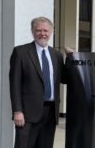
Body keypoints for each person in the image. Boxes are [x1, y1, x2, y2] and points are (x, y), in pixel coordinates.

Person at [9, 17, 66, 148]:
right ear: (32, 32)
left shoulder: (56, 55)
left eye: (45, 30)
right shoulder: (20, 52)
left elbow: (65, 78)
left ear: (51, 32)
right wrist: (17, 111)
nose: (42, 33)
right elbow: (14, 84)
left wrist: (72, 59)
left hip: (51, 112)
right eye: (38, 30)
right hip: (28, 114)